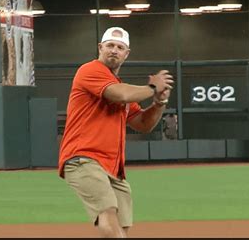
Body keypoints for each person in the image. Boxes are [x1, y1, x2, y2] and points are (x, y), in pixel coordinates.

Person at [58, 27, 173, 238]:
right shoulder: (89, 70)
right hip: (84, 158)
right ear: (100, 48)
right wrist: (152, 88)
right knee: (108, 211)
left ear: (126, 54)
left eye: (120, 47)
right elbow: (120, 95)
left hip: (113, 167)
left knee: (121, 226)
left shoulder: (121, 86)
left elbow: (143, 124)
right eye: (110, 45)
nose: (114, 50)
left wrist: (159, 103)